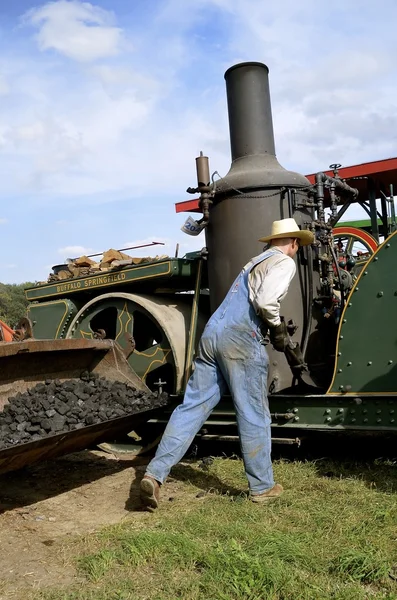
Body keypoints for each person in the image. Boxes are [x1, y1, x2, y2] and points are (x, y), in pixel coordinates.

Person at [140, 218, 314, 510]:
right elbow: (266, 301)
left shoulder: (254, 262)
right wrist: (277, 329)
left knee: (191, 408)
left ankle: (154, 475)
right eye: (297, 246)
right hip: (241, 338)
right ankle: (262, 486)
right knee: (254, 412)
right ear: (293, 243)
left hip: (212, 334)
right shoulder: (284, 262)